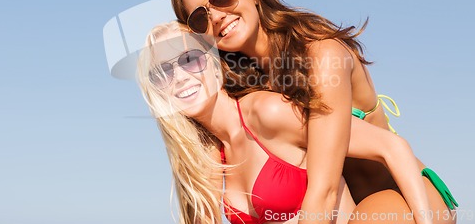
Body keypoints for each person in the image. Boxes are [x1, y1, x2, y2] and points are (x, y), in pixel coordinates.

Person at [170, 0, 457, 223]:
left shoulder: (322, 54)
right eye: (199, 18)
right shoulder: (238, 91)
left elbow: (324, 189)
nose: (216, 16)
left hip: (406, 196)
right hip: (348, 210)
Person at [138, 21, 436, 224]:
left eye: (189, 59)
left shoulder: (267, 112)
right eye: (162, 71)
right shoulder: (206, 159)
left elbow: (392, 145)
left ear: (215, 65)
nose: (179, 77)